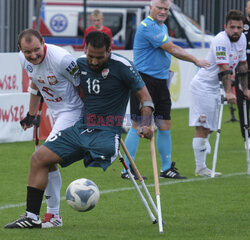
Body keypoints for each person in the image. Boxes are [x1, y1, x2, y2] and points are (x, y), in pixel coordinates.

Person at [5, 31, 154, 229]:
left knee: (45, 159)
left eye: (99, 57)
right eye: (90, 56)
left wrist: (143, 123)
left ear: (109, 51)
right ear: (84, 49)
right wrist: (32, 114)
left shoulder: (113, 65)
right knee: (39, 159)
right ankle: (35, 216)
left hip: (89, 123)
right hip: (70, 120)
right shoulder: (75, 63)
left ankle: (52, 215)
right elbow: (37, 81)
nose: (93, 61)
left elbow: (143, 98)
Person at [121, 0, 210, 180]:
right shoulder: (148, 26)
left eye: (166, 9)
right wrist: (196, 60)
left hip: (160, 82)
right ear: (150, 8)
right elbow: (171, 48)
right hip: (143, 82)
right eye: (159, 8)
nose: (163, 11)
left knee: (164, 124)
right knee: (139, 125)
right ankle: (127, 170)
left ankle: (167, 168)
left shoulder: (161, 26)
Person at [17, 28, 84, 228]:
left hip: (73, 112)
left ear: (43, 42)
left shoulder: (62, 59)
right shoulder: (24, 59)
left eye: (36, 50)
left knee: (41, 158)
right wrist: (31, 114)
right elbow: (35, 83)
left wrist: (94, 119)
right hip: (57, 112)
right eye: (28, 52)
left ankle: (43, 215)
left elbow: (83, 86)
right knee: (47, 161)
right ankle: (52, 216)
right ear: (20, 49)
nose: (33, 55)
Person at [189, 9, 250, 177]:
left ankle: (202, 147)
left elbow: (243, 66)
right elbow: (224, 69)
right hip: (203, 86)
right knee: (202, 127)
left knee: (210, 128)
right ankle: (200, 167)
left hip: (214, 88)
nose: (236, 31)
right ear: (226, 27)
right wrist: (230, 92)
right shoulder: (220, 40)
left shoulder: (242, 39)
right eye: (232, 27)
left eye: (239, 27)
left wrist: (245, 89)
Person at [235, 1, 250, 148]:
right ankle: (246, 137)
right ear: (246, 9)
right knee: (243, 104)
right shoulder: (240, 26)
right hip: (243, 72)